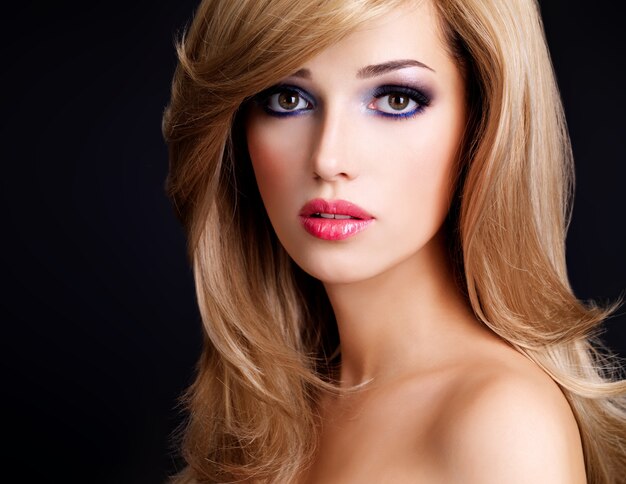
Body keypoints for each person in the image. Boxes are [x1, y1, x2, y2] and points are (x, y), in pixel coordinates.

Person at [162, 0, 626, 482]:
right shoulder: (269, 402)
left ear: (482, 122)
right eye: (287, 98)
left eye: (396, 99)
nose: (328, 158)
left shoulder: (499, 424)